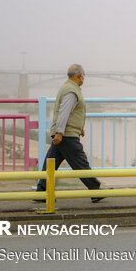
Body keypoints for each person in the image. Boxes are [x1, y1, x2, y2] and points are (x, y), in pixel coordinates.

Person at [36, 64, 105, 203]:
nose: (83, 78)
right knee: (80, 161)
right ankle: (95, 190)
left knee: (51, 161)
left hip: (67, 132)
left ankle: (42, 191)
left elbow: (72, 113)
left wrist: (79, 128)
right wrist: (60, 133)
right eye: (83, 75)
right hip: (67, 134)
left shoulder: (68, 87)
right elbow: (64, 113)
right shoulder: (71, 91)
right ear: (78, 75)